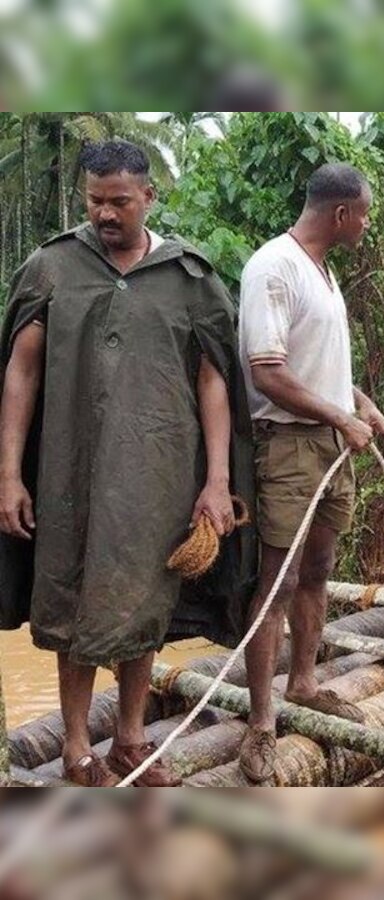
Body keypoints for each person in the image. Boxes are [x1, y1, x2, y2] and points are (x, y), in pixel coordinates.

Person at [0, 140, 257, 786]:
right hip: (66, 473)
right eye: (95, 201)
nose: (106, 214)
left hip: (159, 475)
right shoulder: (52, 267)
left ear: (149, 197)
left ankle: (133, 738)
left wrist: (218, 480)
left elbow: (214, 381)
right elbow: (20, 372)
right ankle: (78, 745)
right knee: (70, 600)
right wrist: (8, 474)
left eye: (119, 201)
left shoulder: (189, 279)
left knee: (145, 608)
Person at [237, 163, 384, 784]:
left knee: (319, 569)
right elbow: (268, 372)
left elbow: (314, 363)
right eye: (364, 212)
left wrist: (361, 406)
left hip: (331, 443)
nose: (367, 222)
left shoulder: (323, 273)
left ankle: (303, 683)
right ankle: (260, 722)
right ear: (341, 215)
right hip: (290, 448)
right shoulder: (273, 268)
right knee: (276, 583)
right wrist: (339, 416)